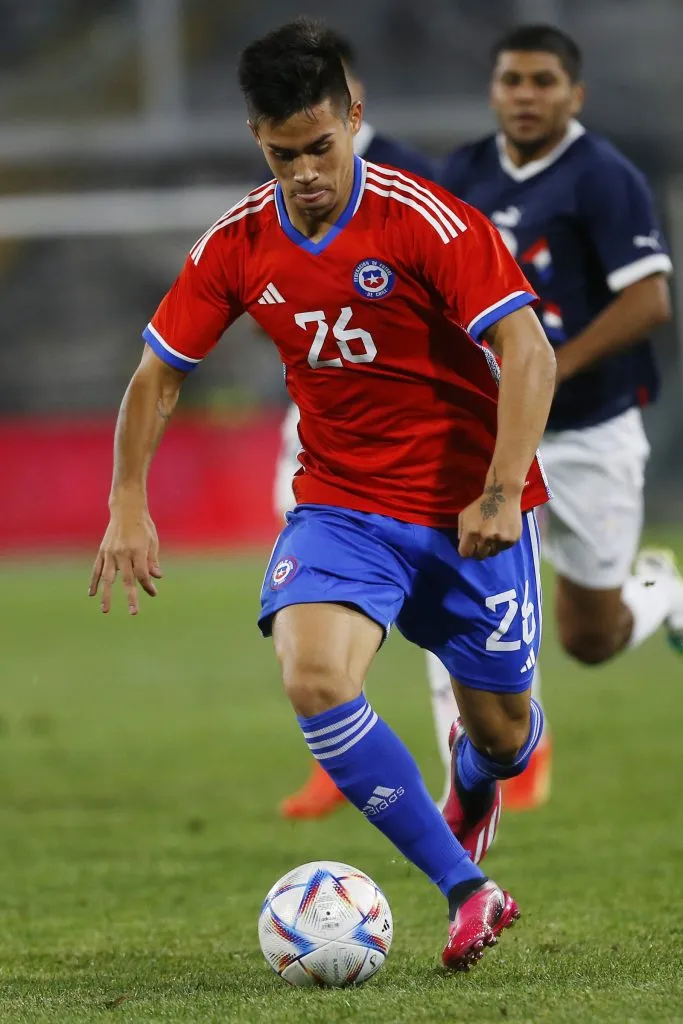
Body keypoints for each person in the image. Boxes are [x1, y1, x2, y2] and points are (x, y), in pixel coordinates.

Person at [89, 18, 556, 970]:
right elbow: (157, 375)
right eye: (280, 153)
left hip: (469, 510)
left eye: (319, 147)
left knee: (504, 737)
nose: (304, 172)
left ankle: (475, 775)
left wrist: (502, 490)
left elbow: (526, 350)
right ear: (256, 140)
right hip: (342, 506)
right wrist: (126, 502)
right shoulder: (239, 242)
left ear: (354, 116)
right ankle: (468, 891)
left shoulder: (425, 220)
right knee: (313, 676)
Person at [437, 24, 681, 816]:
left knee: (589, 639)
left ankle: (660, 594)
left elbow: (649, 300)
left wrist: (545, 370)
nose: (525, 95)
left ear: (573, 94)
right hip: (489, 433)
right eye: (512, 80)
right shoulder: (462, 173)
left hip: (588, 428)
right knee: (456, 576)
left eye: (543, 82)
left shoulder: (604, 177)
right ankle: (488, 763)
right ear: (493, 89)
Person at [274, 29, 442, 821]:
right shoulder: (281, 182)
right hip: (321, 416)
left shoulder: (411, 177)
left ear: (350, 97)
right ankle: (339, 739)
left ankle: (480, 755)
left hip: (416, 432)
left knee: (453, 612)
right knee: (310, 584)